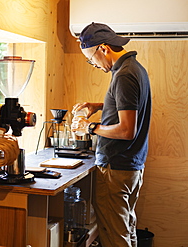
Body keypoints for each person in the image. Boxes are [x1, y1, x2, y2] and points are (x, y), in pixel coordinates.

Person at [71, 23, 152, 247]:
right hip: (131, 166)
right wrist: (97, 106)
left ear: (104, 49)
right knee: (126, 229)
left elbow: (127, 130)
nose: (94, 65)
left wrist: (90, 127)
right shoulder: (134, 68)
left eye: (91, 59)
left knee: (115, 237)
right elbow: (128, 107)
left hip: (116, 169)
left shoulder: (124, 75)